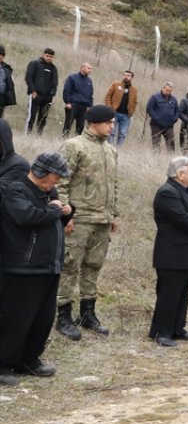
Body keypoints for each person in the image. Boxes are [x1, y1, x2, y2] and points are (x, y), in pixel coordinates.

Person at [0, 152, 73, 386]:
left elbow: (52, 219)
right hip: (22, 267)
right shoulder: (16, 190)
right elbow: (26, 217)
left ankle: (29, 360)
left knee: (42, 318)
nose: (57, 181)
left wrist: (66, 213)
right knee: (15, 319)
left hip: (49, 266)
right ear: (42, 172)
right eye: (55, 176)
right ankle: (3, 364)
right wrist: (54, 210)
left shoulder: (50, 193)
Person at [55, 104, 120, 340]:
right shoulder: (74, 146)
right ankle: (63, 315)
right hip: (79, 219)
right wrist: (65, 216)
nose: (112, 127)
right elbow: (60, 182)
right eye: (108, 123)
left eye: (113, 123)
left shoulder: (111, 150)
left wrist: (114, 214)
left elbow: (114, 184)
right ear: (94, 123)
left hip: (102, 219)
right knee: (69, 266)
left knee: (93, 266)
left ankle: (87, 313)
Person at [149, 156, 188, 347]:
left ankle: (177, 328)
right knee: (169, 294)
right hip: (172, 254)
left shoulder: (186, 191)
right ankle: (161, 332)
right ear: (180, 174)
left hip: (187, 253)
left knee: (183, 293)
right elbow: (182, 218)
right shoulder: (167, 193)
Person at [24, 48, 58, 135]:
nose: (49, 58)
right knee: (31, 116)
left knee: (43, 118)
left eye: (51, 56)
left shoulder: (53, 68)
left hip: (47, 98)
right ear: (43, 55)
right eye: (47, 56)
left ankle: (39, 135)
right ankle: (28, 134)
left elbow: (55, 82)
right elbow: (28, 78)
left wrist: (51, 95)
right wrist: (33, 91)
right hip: (35, 95)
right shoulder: (34, 64)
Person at [60, 62, 94, 137]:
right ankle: (64, 139)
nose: (90, 70)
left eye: (91, 69)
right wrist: (68, 102)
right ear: (82, 68)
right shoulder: (72, 78)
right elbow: (67, 90)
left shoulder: (89, 81)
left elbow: (90, 94)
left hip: (83, 107)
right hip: (73, 105)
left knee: (80, 127)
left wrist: (90, 106)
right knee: (68, 124)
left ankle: (77, 141)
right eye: (89, 68)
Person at [146, 82, 180, 151]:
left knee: (171, 144)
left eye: (170, 91)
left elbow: (177, 111)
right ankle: (156, 156)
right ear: (163, 88)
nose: (168, 92)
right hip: (156, 125)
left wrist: (174, 119)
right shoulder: (155, 97)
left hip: (169, 126)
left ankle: (170, 156)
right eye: (167, 90)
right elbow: (149, 108)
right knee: (156, 143)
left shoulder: (173, 99)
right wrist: (156, 118)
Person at [0, 44, 15, 121]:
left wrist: (9, 98)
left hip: (2, 97)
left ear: (3, 56)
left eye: (1, 55)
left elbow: (10, 84)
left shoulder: (6, 68)